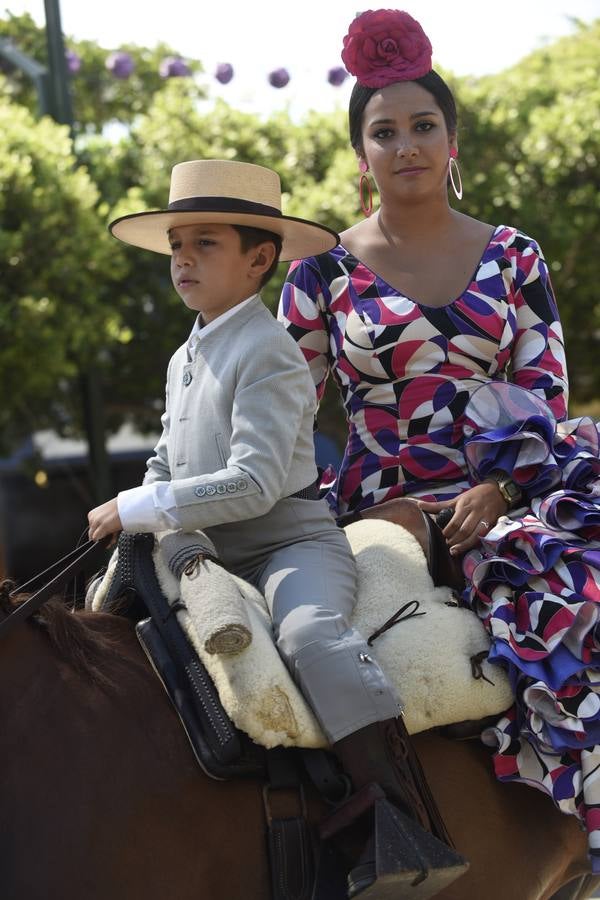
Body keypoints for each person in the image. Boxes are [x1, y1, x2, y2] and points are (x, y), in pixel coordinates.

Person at [87, 159, 466, 897]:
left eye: (205, 244)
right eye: (177, 246)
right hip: (203, 552)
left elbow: (255, 482)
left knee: (310, 637)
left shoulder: (269, 351)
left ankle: (398, 822)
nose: (183, 259)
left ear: (260, 259)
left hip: (289, 545)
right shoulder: (185, 355)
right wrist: (132, 507)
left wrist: (139, 505)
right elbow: (166, 458)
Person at [279, 7, 600, 875]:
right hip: (377, 507)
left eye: (423, 126)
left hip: (510, 496)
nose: (406, 145)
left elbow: (544, 394)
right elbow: (283, 410)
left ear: (452, 141)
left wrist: (501, 490)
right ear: (362, 154)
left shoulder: (516, 257)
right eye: (384, 132)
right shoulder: (318, 273)